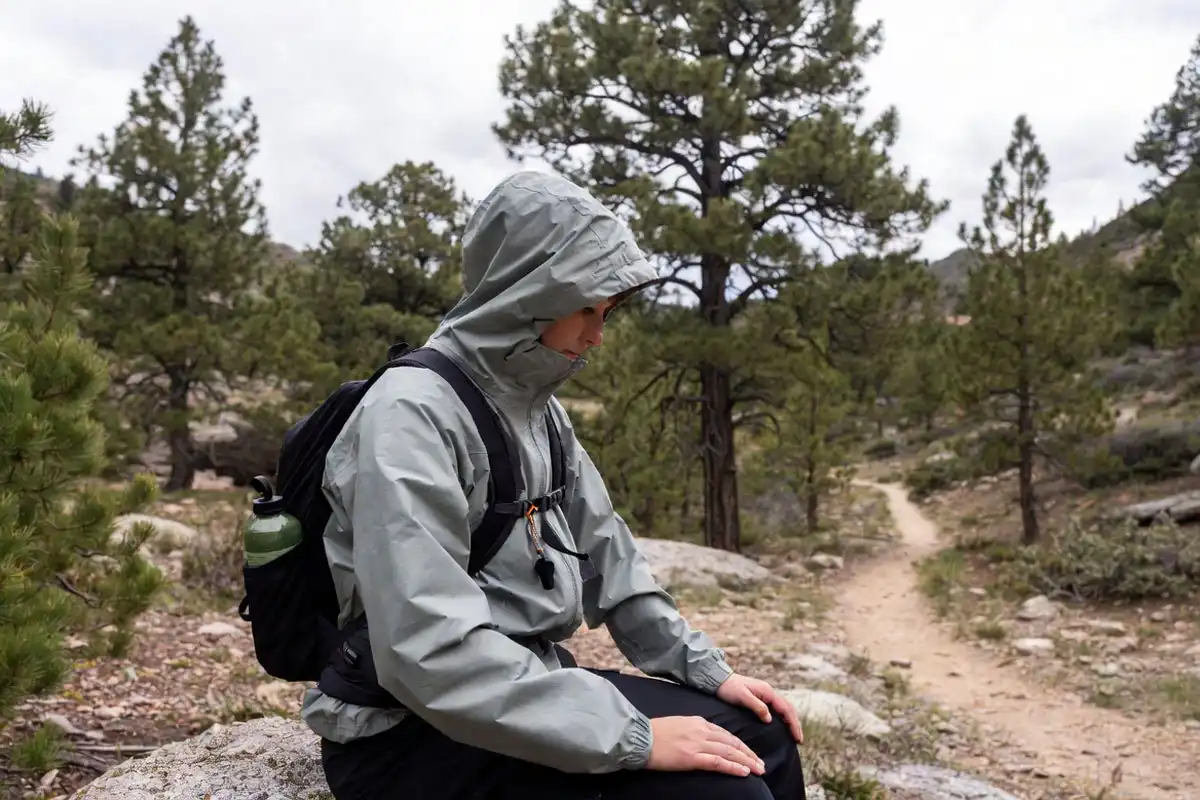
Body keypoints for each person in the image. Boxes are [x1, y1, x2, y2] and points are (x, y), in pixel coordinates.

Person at [300, 170, 807, 799]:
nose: (597, 335)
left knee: (766, 743)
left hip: (518, 692)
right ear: (526, 295)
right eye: (585, 311)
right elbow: (425, 645)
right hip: (405, 733)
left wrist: (704, 670)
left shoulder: (536, 410)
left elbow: (606, 553)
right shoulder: (411, 414)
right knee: (726, 794)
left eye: (608, 311)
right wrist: (636, 737)